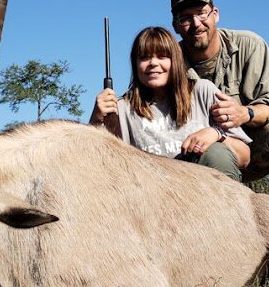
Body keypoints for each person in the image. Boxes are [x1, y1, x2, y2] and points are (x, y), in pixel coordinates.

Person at [169, 0, 269, 230]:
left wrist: (245, 113)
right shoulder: (168, 59)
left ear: (215, 13)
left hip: (250, 149)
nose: (195, 24)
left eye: (201, 13)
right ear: (175, 26)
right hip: (194, 157)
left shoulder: (250, 44)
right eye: (185, 18)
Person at [89, 26, 250, 181]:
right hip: (153, 196)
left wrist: (216, 134)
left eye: (162, 56)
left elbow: (244, 157)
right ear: (135, 64)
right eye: (144, 57)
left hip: (203, 192)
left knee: (216, 154)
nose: (153, 63)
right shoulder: (121, 108)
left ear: (176, 61)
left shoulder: (203, 91)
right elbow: (96, 164)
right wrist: (96, 119)